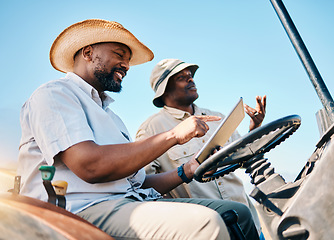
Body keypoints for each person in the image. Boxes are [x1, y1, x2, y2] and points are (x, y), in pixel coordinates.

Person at [17, 19, 260, 240]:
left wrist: (187, 170)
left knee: (239, 213)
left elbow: (138, 185)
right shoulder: (54, 95)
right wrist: (174, 135)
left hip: (128, 201)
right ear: (88, 52)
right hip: (77, 211)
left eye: (128, 60)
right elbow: (90, 166)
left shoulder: (112, 118)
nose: (126, 65)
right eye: (119, 54)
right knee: (206, 225)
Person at [136, 58, 267, 235]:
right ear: (164, 89)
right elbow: (144, 186)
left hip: (249, 220)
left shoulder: (217, 118)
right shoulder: (151, 129)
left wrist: (254, 129)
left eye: (191, 76)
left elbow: (245, 158)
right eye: (182, 77)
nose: (191, 79)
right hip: (209, 229)